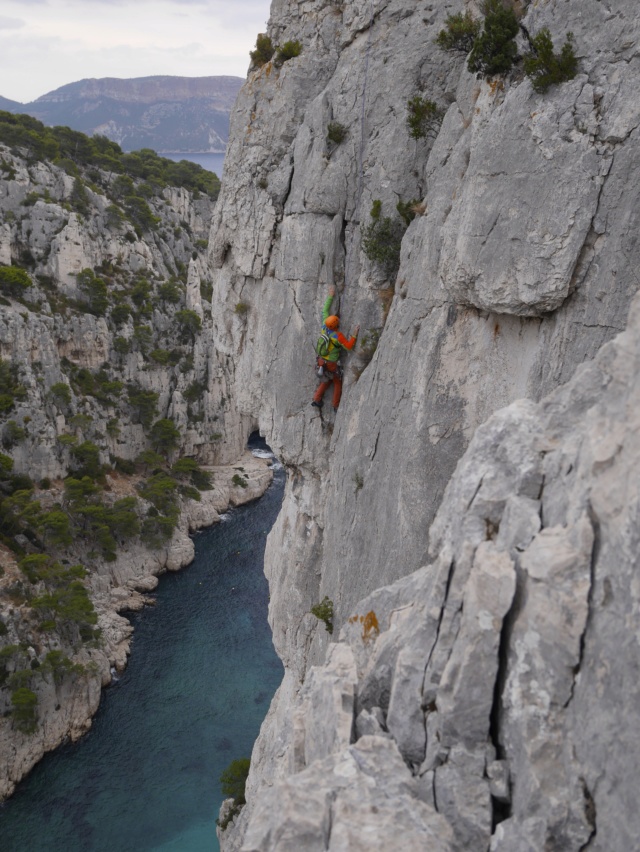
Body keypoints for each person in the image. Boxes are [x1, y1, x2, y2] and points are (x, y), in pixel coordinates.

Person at [312, 285, 359, 411]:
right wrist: (354, 335)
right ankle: (336, 405)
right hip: (332, 363)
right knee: (337, 381)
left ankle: (316, 399)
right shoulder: (337, 336)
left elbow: (324, 311)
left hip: (321, 360)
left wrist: (330, 296)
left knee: (326, 380)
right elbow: (348, 347)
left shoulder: (324, 327)